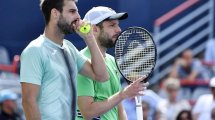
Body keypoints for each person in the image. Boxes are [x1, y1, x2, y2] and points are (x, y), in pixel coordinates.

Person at [20, 0, 109, 120]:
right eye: (72, 11)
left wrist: (89, 38)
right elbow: (28, 101)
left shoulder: (69, 48)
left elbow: (102, 76)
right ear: (55, 13)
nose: (78, 17)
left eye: (77, 12)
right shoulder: (35, 50)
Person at [75, 6, 148, 120]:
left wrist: (121, 96)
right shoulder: (82, 61)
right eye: (112, 25)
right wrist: (123, 94)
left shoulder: (112, 60)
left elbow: (118, 108)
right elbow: (88, 112)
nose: (118, 29)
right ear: (94, 29)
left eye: (117, 25)